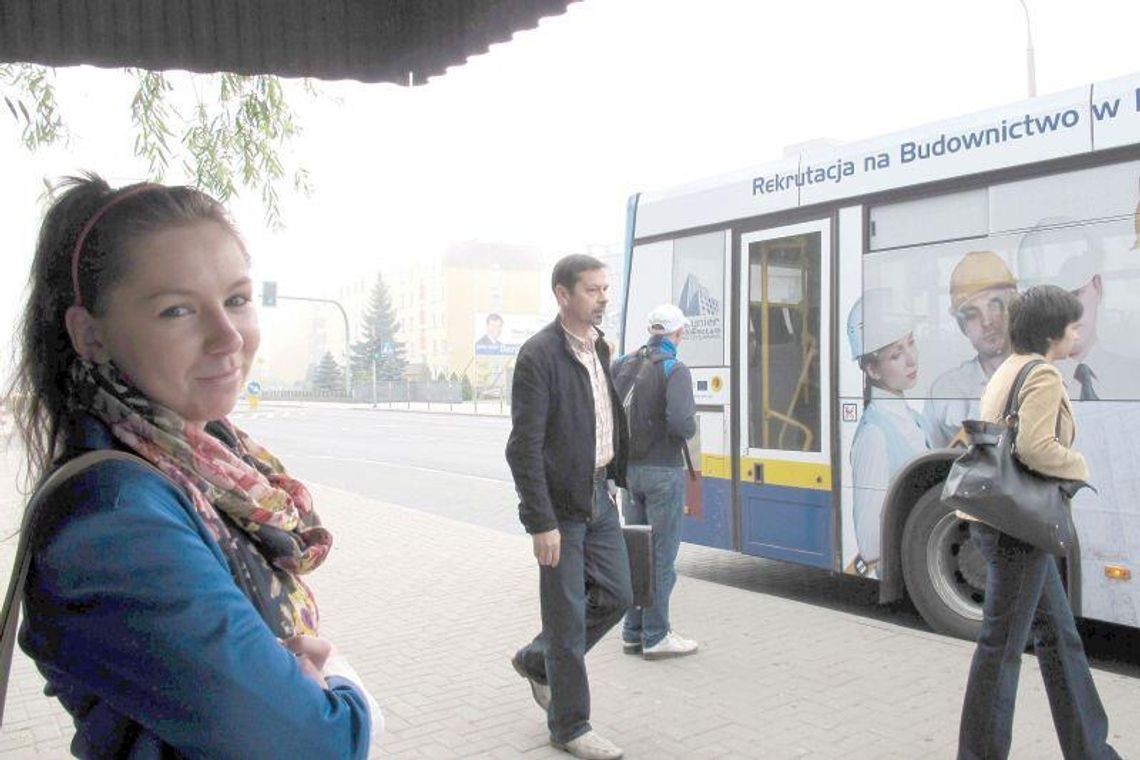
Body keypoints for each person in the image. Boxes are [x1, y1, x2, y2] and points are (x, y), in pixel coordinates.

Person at [4, 175, 377, 758]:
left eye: (236, 299)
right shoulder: (113, 519)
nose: (227, 336)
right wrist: (349, 693)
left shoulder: (208, 463)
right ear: (91, 335)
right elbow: (314, 744)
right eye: (177, 310)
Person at [957, 285, 1120, 760]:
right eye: (1073, 326)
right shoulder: (1044, 375)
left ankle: (1092, 750)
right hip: (1019, 529)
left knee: (1059, 638)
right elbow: (1034, 448)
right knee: (1001, 647)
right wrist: (1080, 466)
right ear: (1054, 333)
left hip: (1004, 522)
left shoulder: (1008, 367)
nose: (1078, 333)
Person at [506, 254, 633, 760]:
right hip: (561, 510)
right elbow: (524, 447)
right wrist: (540, 522)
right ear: (563, 294)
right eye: (593, 290)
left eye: (606, 289)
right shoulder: (539, 355)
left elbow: (600, 420)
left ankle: (539, 661)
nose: (603, 298)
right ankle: (570, 725)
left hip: (599, 497)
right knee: (565, 616)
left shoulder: (598, 348)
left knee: (619, 594)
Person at [614, 303, 698, 660]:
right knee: (662, 556)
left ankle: (632, 632)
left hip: (628, 473)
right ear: (677, 334)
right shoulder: (674, 368)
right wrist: (690, 425)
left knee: (638, 553)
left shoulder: (623, 364)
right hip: (662, 472)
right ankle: (656, 635)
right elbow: (681, 423)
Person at [847, 290, 930, 578]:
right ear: (872, 369)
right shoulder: (874, 435)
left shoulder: (915, 420)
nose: (911, 360)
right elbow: (870, 544)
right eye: (896, 355)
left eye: (911, 344)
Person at [1016, 217, 1140, 400]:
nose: (1065, 313)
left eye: (1074, 294)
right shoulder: (1023, 389)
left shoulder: (1133, 377)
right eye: (1049, 302)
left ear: (1098, 286)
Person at [924, 251, 1017, 447]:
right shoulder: (945, 390)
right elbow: (934, 467)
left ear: (1012, 305)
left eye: (994, 305)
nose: (987, 321)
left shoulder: (1042, 375)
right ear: (962, 325)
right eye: (973, 314)